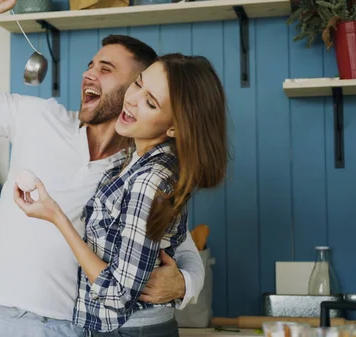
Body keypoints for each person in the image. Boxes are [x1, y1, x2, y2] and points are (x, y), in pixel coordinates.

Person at [0, 0, 206, 335]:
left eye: (106, 69)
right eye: (91, 65)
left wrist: (184, 285)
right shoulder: (38, 118)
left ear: (135, 88)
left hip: (66, 327)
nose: (89, 73)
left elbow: (182, 245)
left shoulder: (137, 168)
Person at [13, 54, 228, 336]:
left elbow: (116, 295)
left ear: (174, 127)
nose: (133, 99)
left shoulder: (149, 181)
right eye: (137, 84)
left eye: (151, 102)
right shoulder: (131, 160)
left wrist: (56, 216)